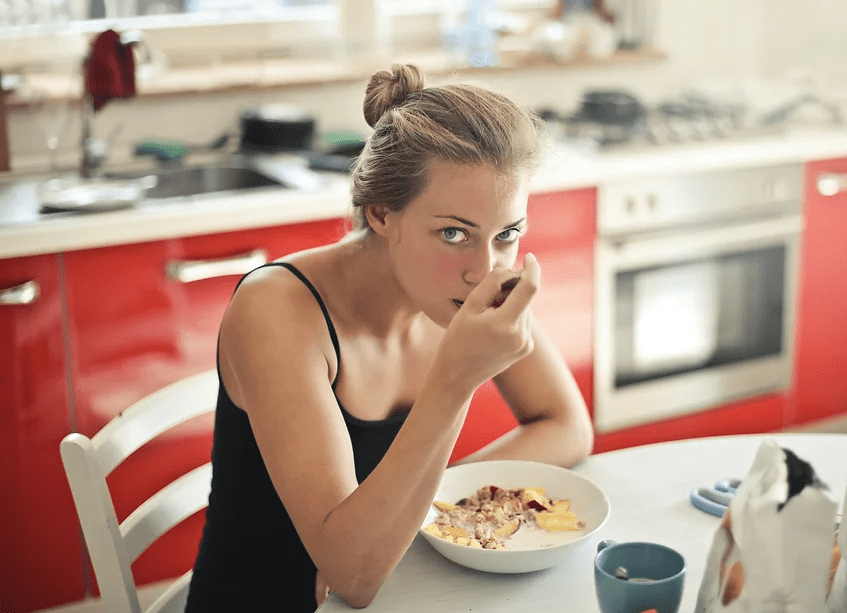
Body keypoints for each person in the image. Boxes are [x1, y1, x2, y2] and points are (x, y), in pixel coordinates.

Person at [185, 63, 594, 612]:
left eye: (508, 234)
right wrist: (455, 381)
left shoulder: (466, 284)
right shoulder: (278, 312)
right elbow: (352, 575)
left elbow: (567, 426)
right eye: (453, 233)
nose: (485, 269)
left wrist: (414, 509)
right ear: (381, 214)